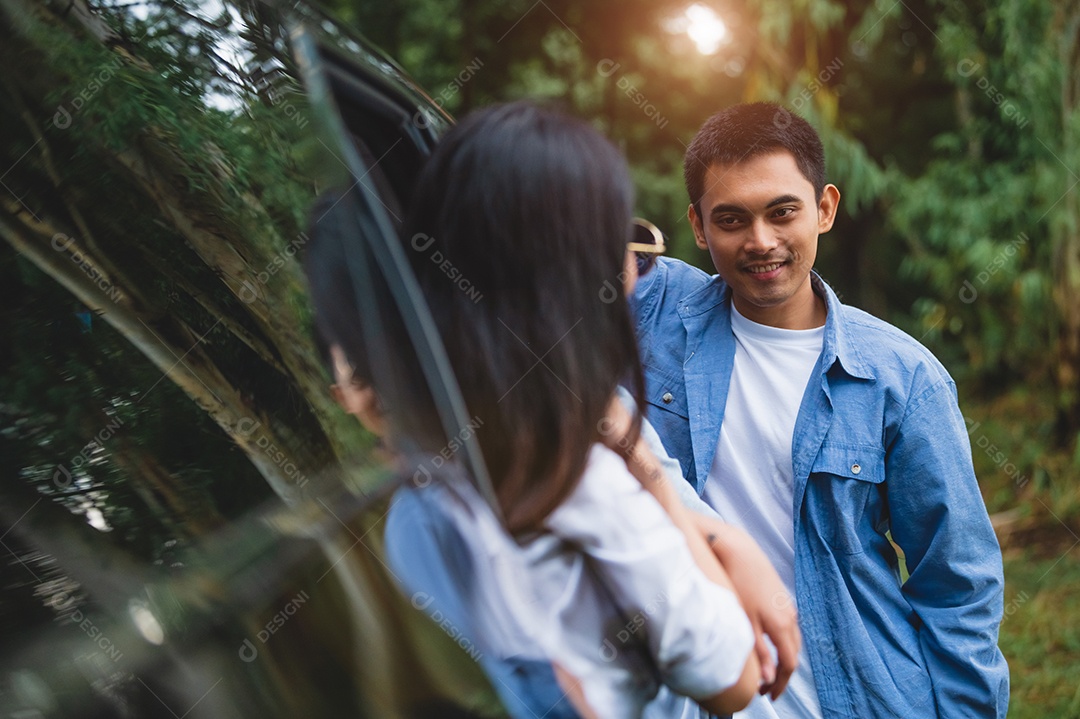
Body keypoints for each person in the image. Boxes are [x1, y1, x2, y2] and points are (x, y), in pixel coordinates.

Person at [304, 102, 794, 719]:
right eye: (610, 241)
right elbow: (734, 680)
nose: (634, 271)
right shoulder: (573, 466)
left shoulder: (469, 476)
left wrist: (721, 539)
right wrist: (651, 483)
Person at [632, 102, 1010, 718]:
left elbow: (959, 583)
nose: (761, 242)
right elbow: (541, 248)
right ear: (699, 228)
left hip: (864, 699)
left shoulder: (901, 378)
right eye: (731, 220)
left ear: (825, 208)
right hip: (704, 697)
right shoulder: (659, 321)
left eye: (783, 212)